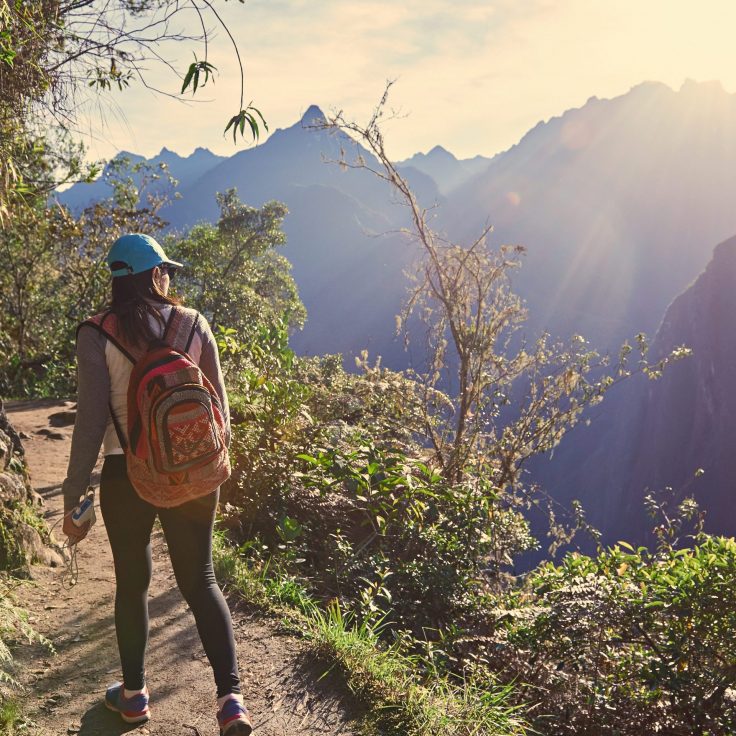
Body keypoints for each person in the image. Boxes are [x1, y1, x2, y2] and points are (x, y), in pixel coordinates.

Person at [61, 233, 253, 735]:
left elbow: (89, 423)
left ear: (115, 280)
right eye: (164, 270)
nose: (168, 277)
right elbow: (221, 412)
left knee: (133, 583)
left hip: (127, 474)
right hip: (193, 470)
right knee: (202, 581)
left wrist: (73, 492)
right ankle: (231, 701)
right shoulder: (193, 324)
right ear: (153, 275)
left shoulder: (95, 333)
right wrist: (211, 468)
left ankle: (133, 697)